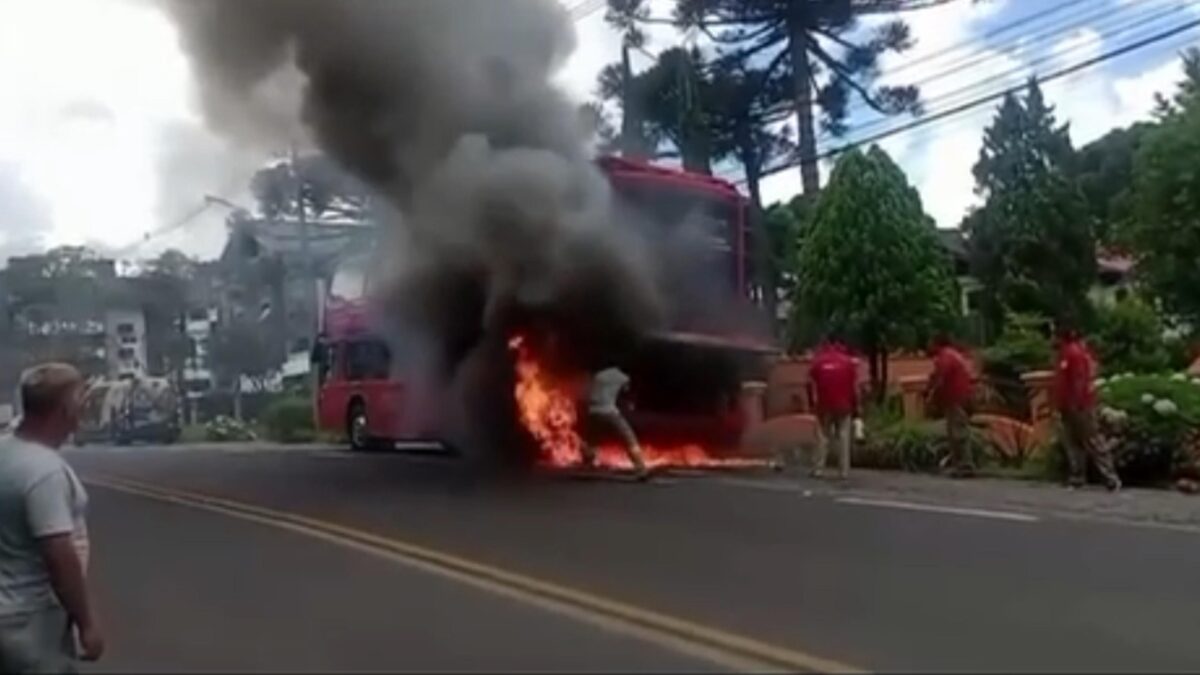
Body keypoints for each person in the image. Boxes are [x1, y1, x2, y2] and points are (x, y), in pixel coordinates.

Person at [0, 363, 105, 673]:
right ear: (65, 409)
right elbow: (59, 554)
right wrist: (87, 623)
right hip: (29, 622)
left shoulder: (6, 452)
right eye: (81, 403)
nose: (83, 413)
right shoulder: (43, 472)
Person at [1053, 326, 1121, 491]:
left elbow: (1078, 380)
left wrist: (1076, 402)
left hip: (1079, 404)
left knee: (1092, 440)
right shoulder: (1066, 353)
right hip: (1068, 404)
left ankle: (1110, 478)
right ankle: (1077, 477)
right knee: (1073, 442)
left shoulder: (1074, 353)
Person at [581, 365, 650, 480]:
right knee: (629, 438)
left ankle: (587, 464)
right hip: (609, 411)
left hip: (592, 411)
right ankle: (641, 470)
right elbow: (626, 394)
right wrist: (629, 404)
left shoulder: (600, 374)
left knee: (592, 440)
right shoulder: (623, 378)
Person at [926, 334, 976, 478]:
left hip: (956, 398)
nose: (928, 346)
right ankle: (959, 465)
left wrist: (931, 396)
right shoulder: (953, 355)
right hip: (958, 398)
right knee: (955, 432)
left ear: (937, 343)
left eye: (930, 342)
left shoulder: (946, 357)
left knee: (958, 433)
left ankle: (965, 466)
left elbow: (940, 378)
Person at [808, 340, 859, 479]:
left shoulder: (818, 362)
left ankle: (818, 469)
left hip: (824, 405)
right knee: (843, 436)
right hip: (844, 406)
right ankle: (844, 471)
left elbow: (810, 383)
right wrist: (856, 407)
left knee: (822, 436)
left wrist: (812, 404)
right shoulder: (848, 363)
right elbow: (854, 387)